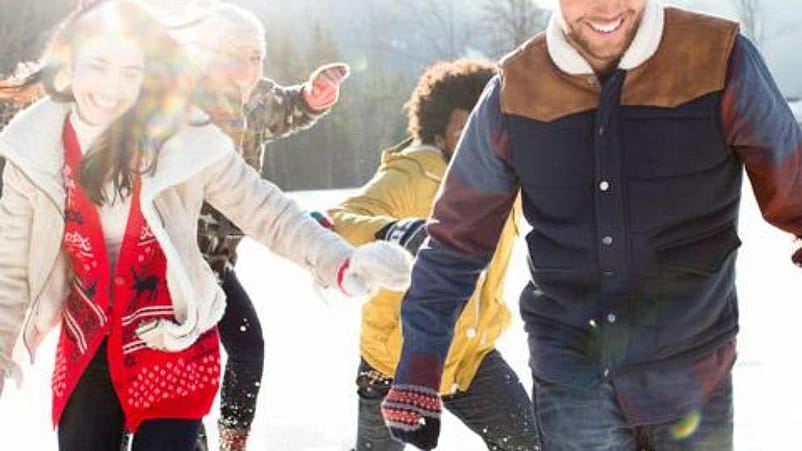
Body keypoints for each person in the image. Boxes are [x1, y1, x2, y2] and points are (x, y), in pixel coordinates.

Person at [379, 0, 802, 450]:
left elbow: (794, 183)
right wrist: (419, 363)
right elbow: (454, 242)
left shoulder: (719, 59)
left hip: (692, 372)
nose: (607, 6)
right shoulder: (516, 90)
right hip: (571, 379)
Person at [0, 2, 410, 450]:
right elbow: (11, 277)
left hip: (172, 331)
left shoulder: (181, 137)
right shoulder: (34, 152)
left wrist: (340, 260)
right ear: (69, 66)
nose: (112, 88)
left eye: (129, 71)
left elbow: (264, 209)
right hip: (90, 341)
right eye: (98, 66)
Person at [134, 2, 350, 448]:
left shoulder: (255, 99)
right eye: (235, 55)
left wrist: (310, 98)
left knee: (248, 349)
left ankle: (232, 439)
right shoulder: (184, 105)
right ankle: (186, 437)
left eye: (256, 57)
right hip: (171, 262)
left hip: (217, 262)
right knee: (181, 364)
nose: (248, 67)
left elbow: (285, 107)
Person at [326, 59, 538, 451]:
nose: (479, 138)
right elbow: (337, 220)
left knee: (528, 443)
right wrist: (394, 232)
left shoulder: (509, 177)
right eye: (464, 127)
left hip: (470, 358)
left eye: (487, 126)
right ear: (438, 132)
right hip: (394, 363)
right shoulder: (414, 174)